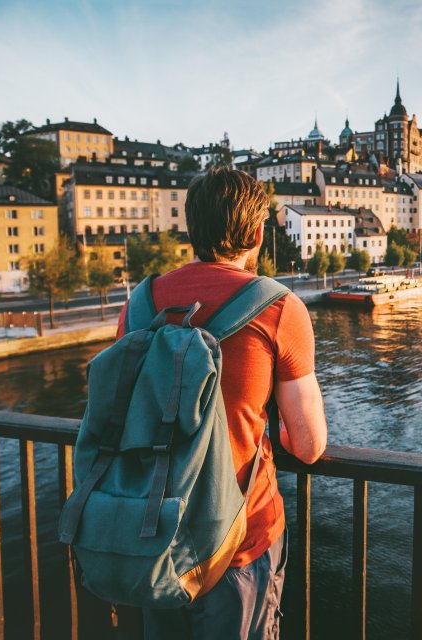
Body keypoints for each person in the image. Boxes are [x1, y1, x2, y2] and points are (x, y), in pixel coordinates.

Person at [115, 167, 328, 639]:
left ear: (191, 227)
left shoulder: (140, 304)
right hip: (239, 543)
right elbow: (310, 445)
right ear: (257, 232)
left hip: (154, 535)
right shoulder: (279, 308)